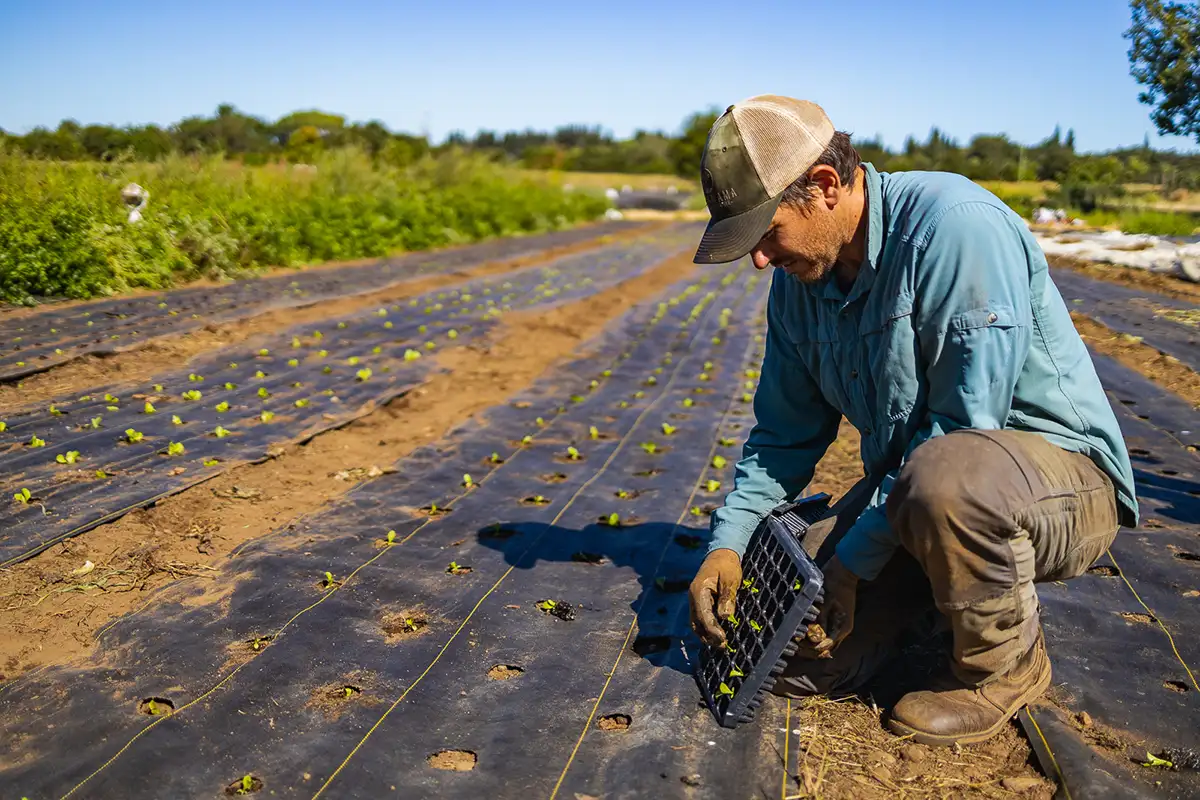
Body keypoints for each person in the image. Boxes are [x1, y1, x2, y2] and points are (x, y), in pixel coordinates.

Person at [686, 95, 1138, 747]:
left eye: (766, 232)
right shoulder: (799, 285)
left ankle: (1002, 670)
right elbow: (783, 437)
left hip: (1053, 487)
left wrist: (854, 563)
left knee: (945, 481)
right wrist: (726, 544)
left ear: (824, 185)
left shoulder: (956, 228)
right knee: (788, 650)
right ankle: (935, 602)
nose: (758, 259)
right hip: (911, 495)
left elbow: (964, 424)